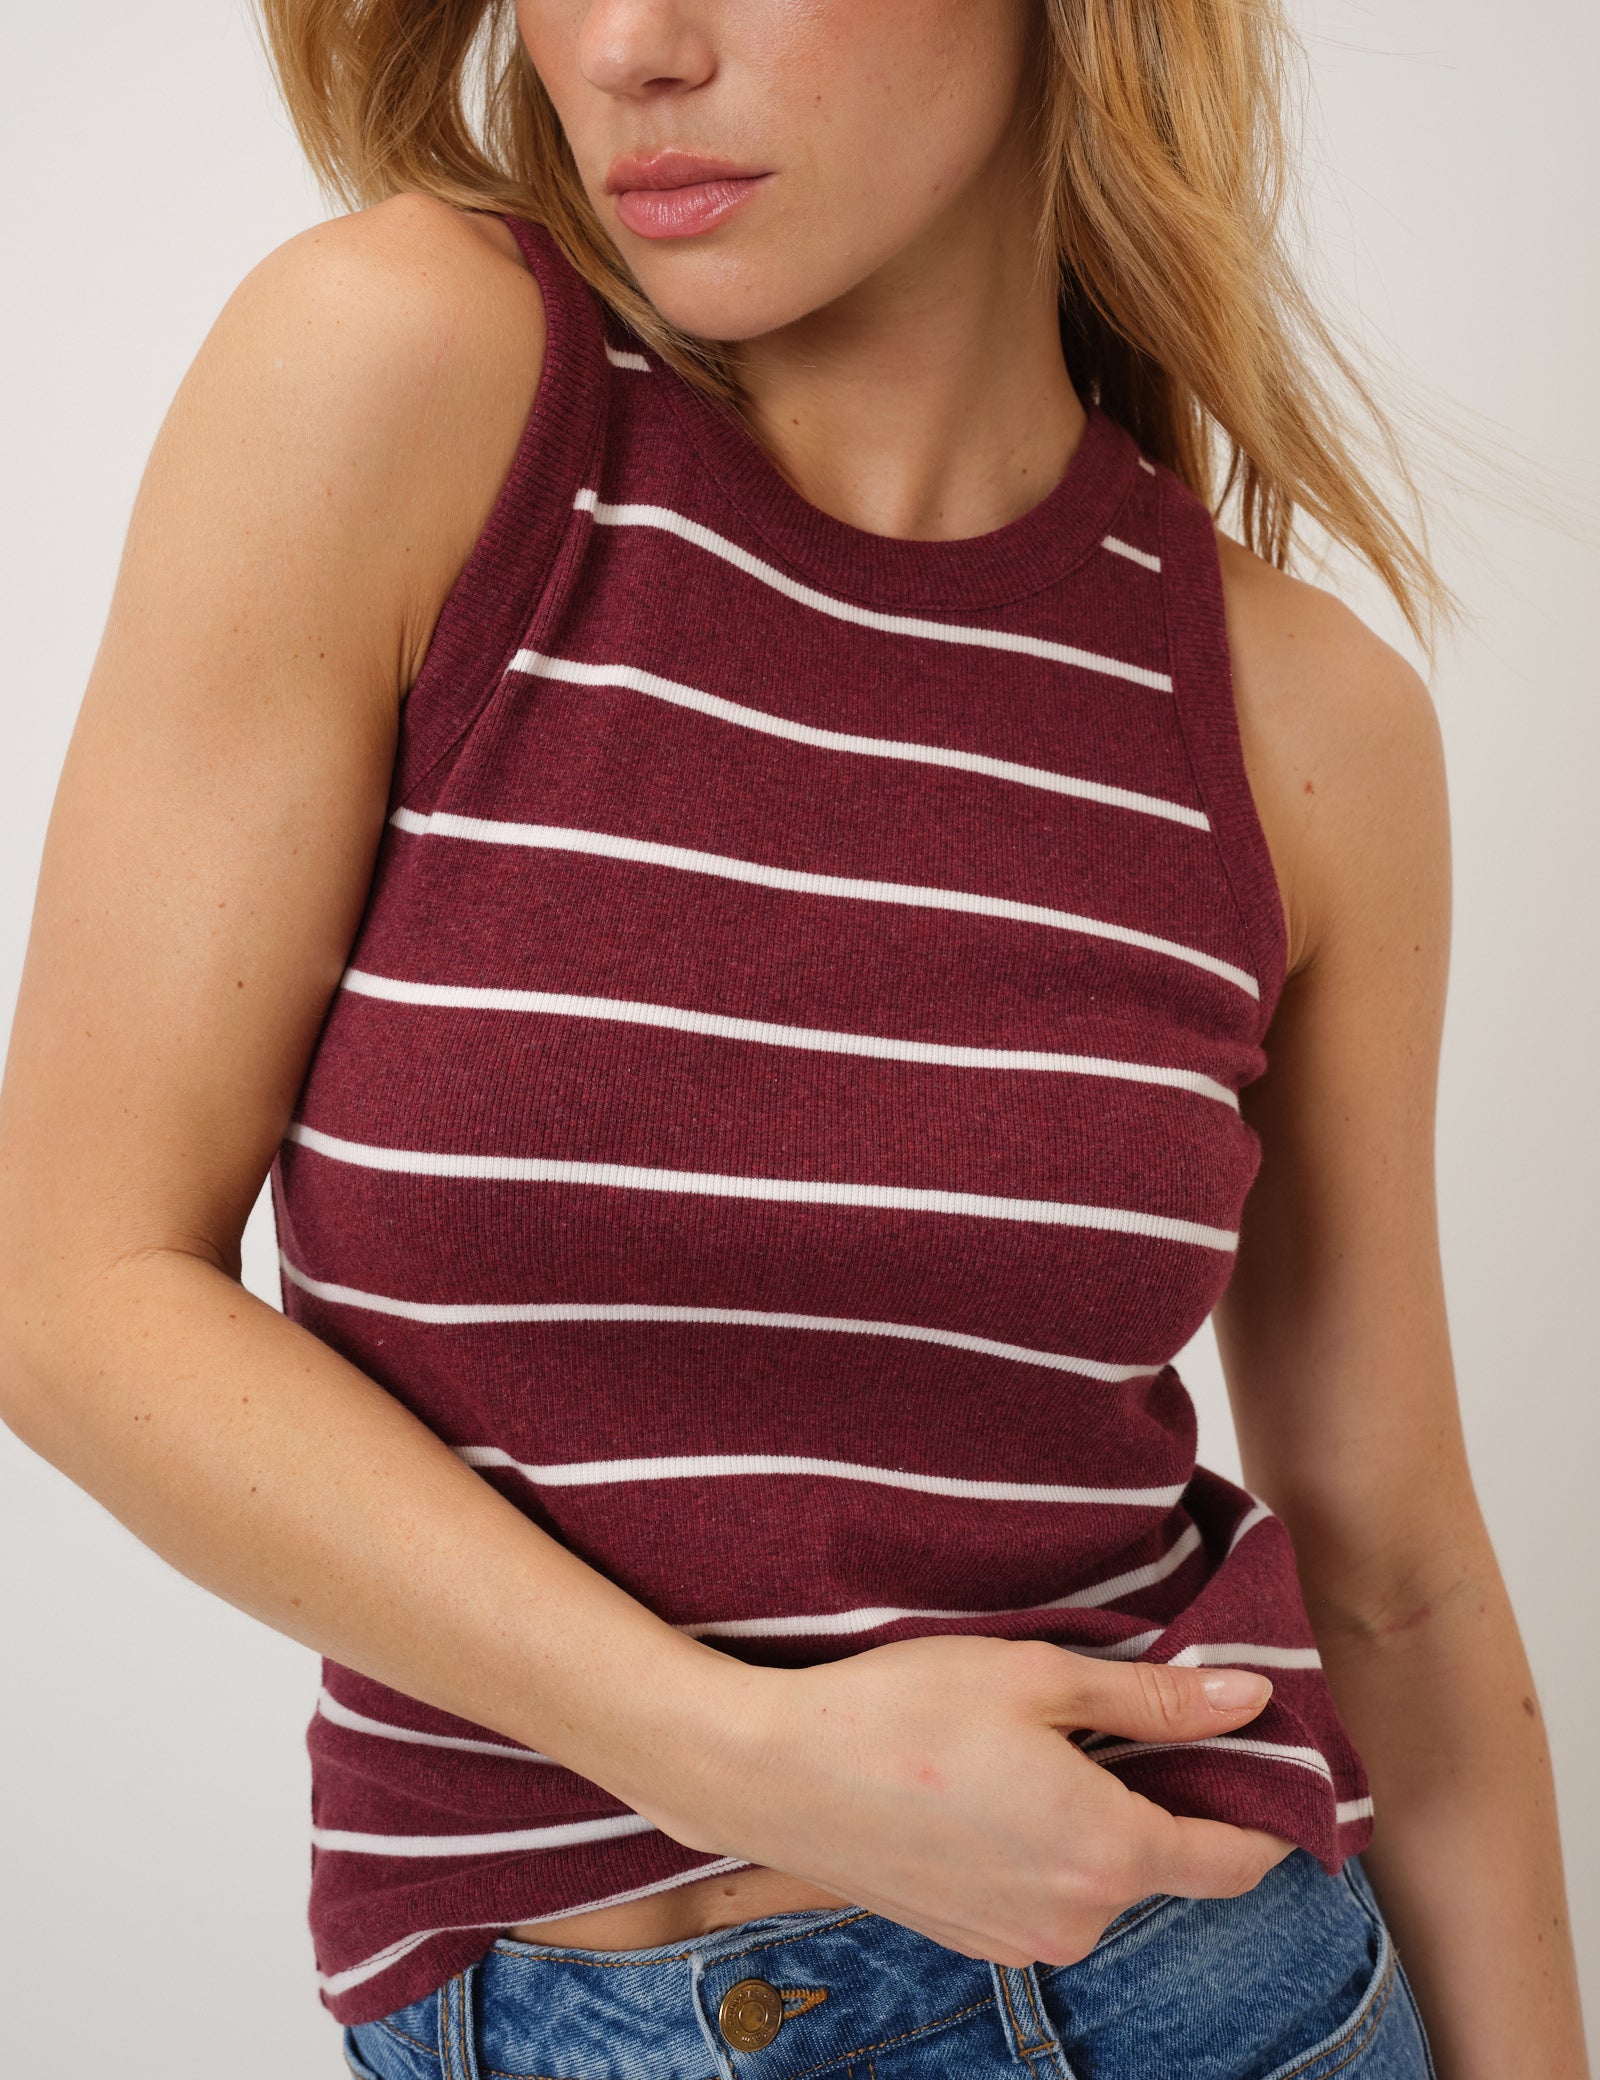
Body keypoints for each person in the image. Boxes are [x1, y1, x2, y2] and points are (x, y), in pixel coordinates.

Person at [0, 1, 1587, 2075]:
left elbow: (1395, 1582)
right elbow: (72, 1286)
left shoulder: (1297, 721)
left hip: (1206, 2003)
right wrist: (728, 1748)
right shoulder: (411, 375)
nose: (626, 48)